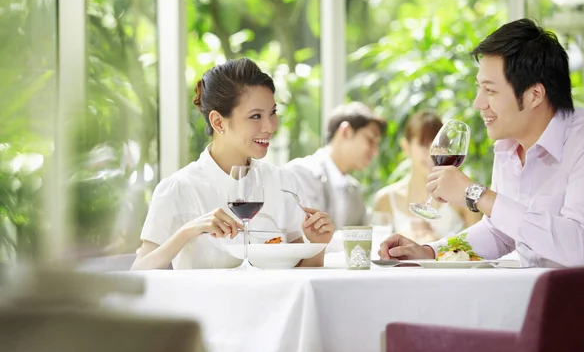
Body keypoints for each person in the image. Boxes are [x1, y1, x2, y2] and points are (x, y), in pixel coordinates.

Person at [379, 18, 584, 268]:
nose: (478, 103)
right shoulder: (508, 146)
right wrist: (431, 253)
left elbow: (581, 249)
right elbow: (499, 232)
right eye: (479, 89)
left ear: (534, 95)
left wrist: (476, 194)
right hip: (532, 297)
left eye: (490, 91)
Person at [132, 58, 334, 270]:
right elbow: (138, 272)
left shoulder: (282, 182)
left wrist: (318, 244)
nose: (270, 126)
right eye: (255, 116)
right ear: (218, 122)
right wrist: (188, 231)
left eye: (272, 112)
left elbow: (300, 273)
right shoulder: (179, 189)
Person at [373, 111, 480, 243]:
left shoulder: (463, 198)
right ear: (406, 146)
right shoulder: (385, 200)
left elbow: (481, 249)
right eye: (424, 145)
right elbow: (375, 249)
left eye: (439, 145)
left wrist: (436, 243)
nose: (432, 152)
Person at [285, 102, 386, 228]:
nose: (375, 151)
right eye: (370, 140)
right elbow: (305, 233)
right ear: (346, 131)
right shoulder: (300, 173)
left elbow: (367, 232)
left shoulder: (354, 189)